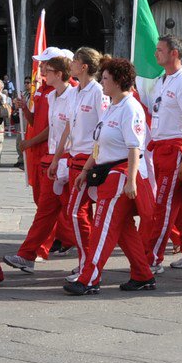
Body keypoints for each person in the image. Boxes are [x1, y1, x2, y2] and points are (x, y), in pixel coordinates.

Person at [68, 58, 155, 294]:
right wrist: (86, 170)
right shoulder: (112, 106)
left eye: (105, 78)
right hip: (109, 172)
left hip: (120, 174)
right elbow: (99, 145)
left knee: (102, 227)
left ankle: (89, 279)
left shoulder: (130, 107)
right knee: (124, 231)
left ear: (118, 81)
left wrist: (131, 180)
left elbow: (134, 148)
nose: (101, 82)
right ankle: (143, 275)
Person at [3, 49, 75, 273]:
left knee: (74, 214)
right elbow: (48, 126)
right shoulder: (48, 94)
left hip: (64, 160)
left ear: (61, 72)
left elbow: (65, 130)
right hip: (49, 158)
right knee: (46, 210)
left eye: (46, 67)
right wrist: (24, 109)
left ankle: (91, 256)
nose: (41, 70)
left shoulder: (74, 93)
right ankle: (28, 254)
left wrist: (34, 143)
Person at [144, 35, 182, 274]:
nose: (156, 54)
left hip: (175, 149)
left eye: (160, 50)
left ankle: (152, 258)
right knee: (180, 205)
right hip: (161, 147)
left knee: (163, 205)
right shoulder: (162, 80)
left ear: (174, 53)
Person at [50, 47, 107, 272]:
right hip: (73, 157)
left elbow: (103, 131)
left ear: (83, 67)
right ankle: (89, 261)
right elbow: (67, 127)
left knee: (76, 211)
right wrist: (56, 158)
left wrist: (90, 164)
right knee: (80, 212)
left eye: (74, 60)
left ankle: (89, 263)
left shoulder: (98, 92)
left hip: (89, 160)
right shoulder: (74, 92)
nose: (70, 64)